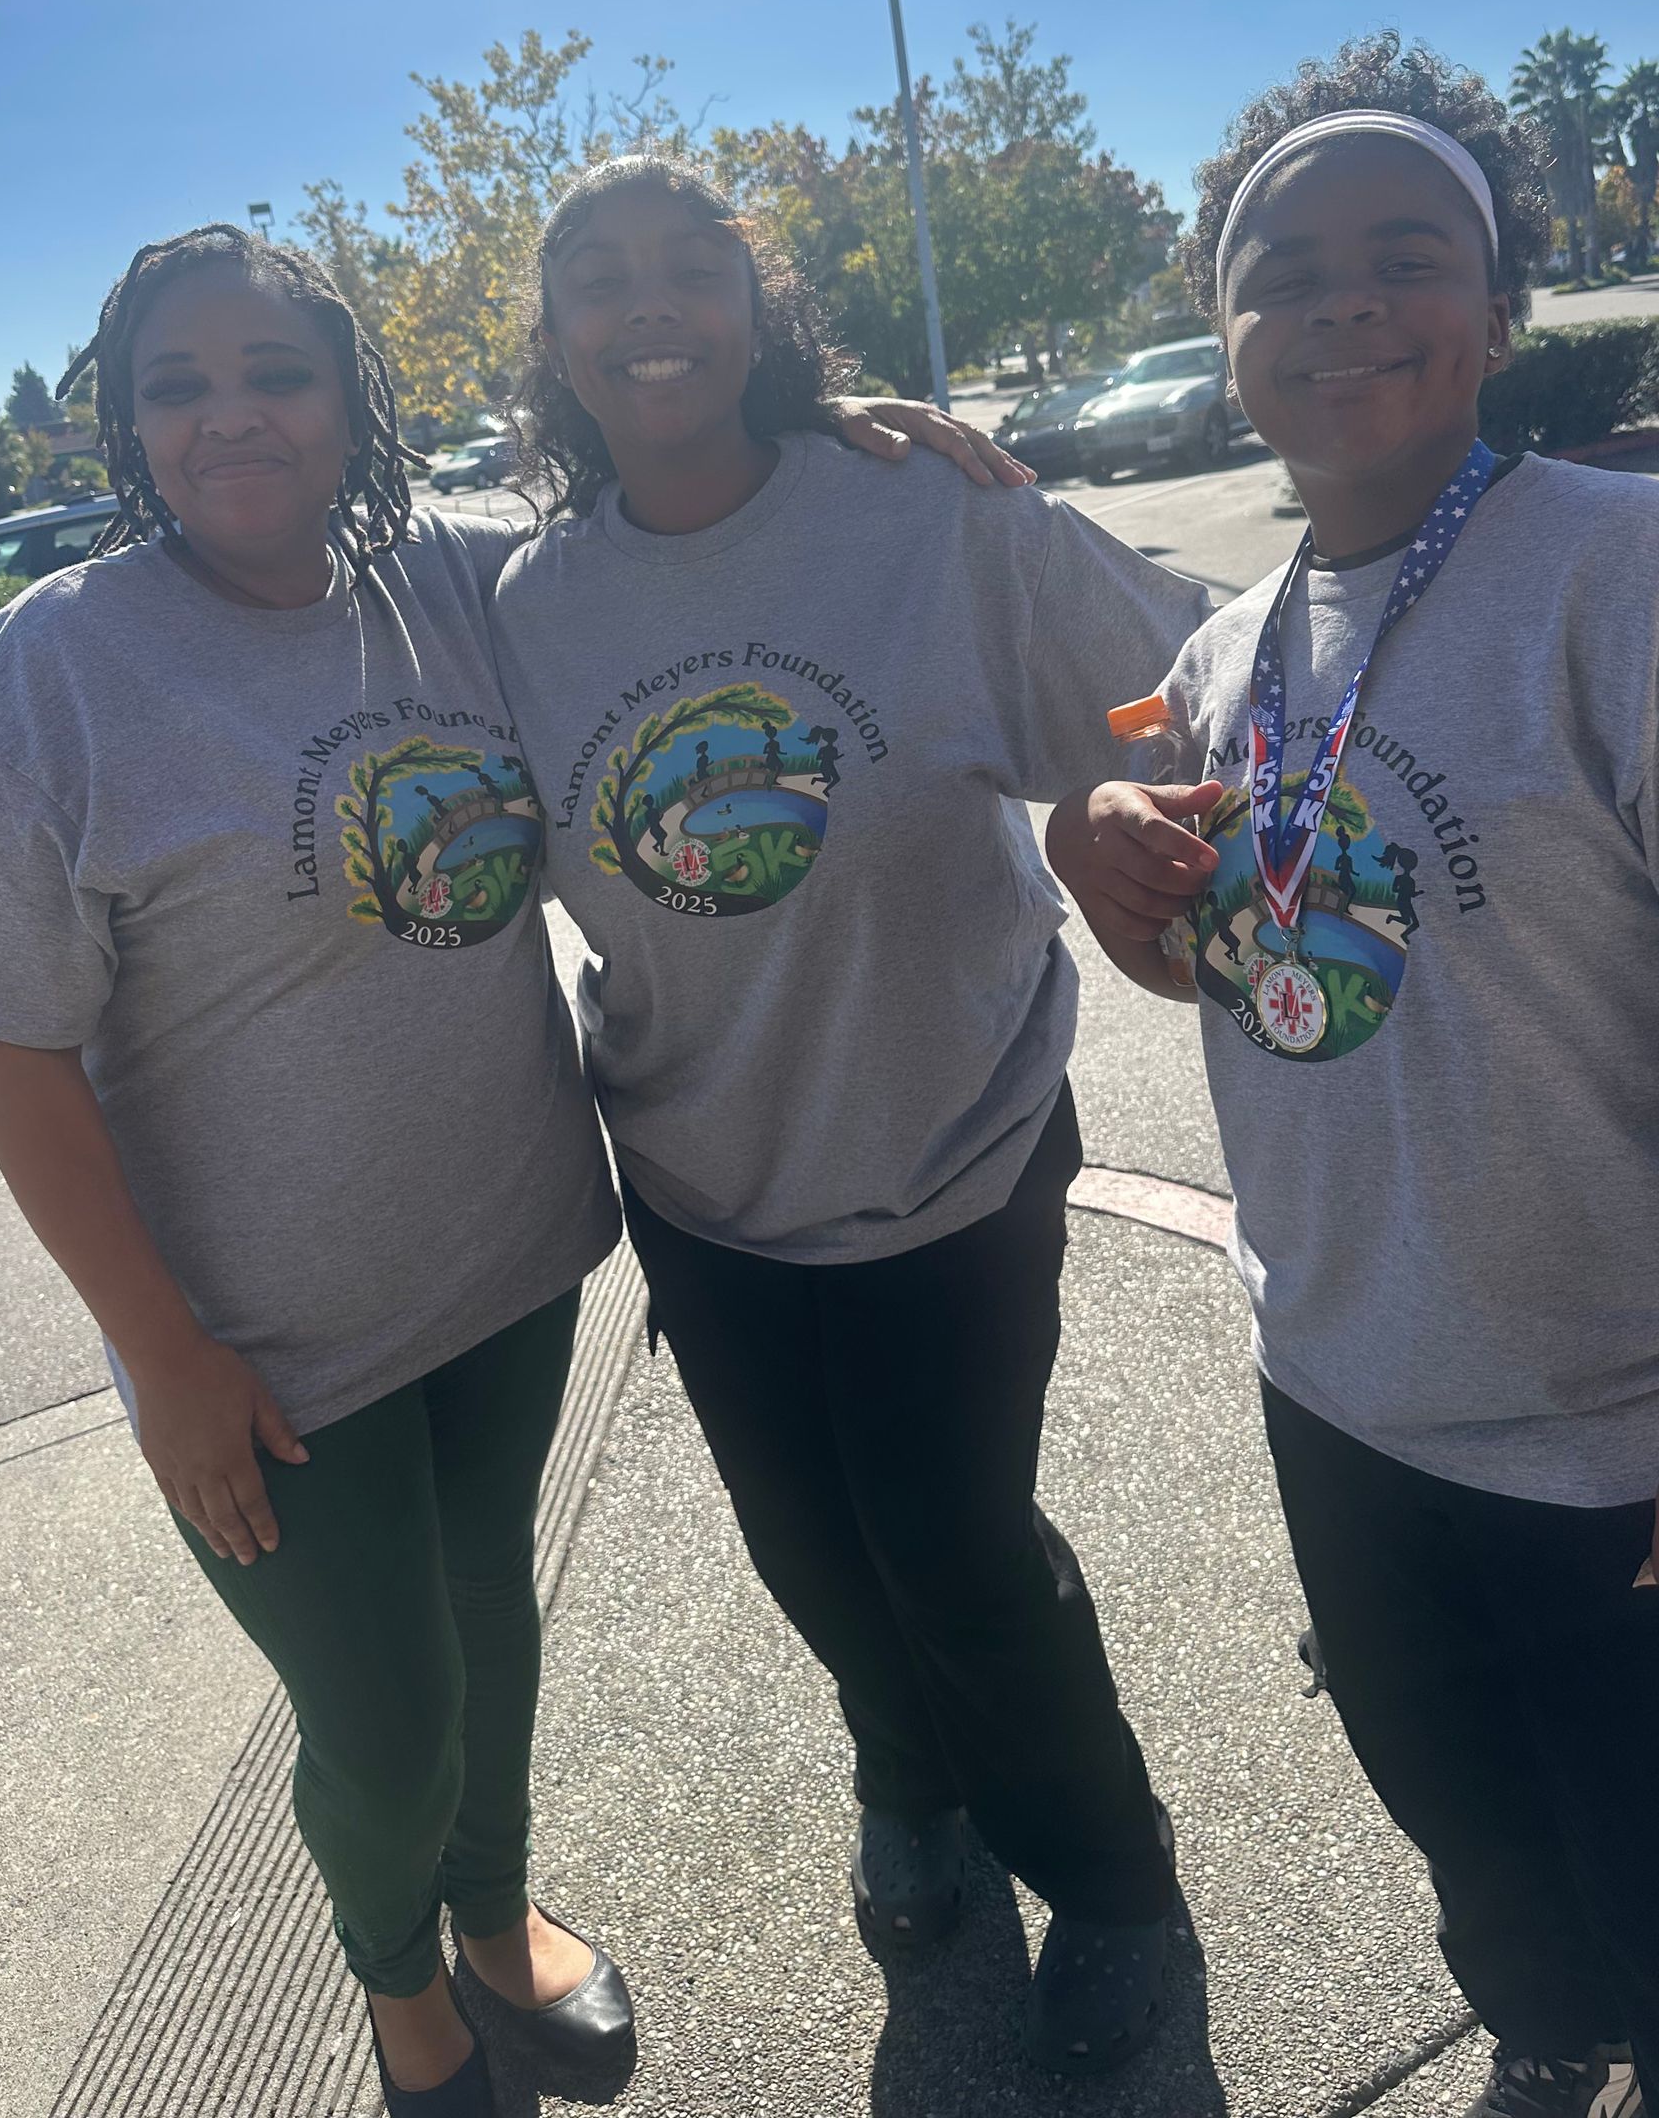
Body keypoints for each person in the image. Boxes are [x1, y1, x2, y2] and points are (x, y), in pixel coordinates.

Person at [0, 223, 1013, 2117]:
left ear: (355, 401)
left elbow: (676, 523)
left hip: (505, 1264)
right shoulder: (61, 659)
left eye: (278, 374)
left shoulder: (452, 585)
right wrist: (159, 1357)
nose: (232, 416)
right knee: (384, 1711)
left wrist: (835, 426)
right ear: (126, 427)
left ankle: (493, 1921)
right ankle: (403, 1993)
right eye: (179, 388)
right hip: (260, 1337)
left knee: (489, 1619)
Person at [1046, 36, 1659, 2118]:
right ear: (1228, 339)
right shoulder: (1230, 652)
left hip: (1631, 1425)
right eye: (1283, 266)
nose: (1344, 300)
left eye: (1408, 254)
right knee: (1478, 1841)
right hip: (1352, 1398)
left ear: (1497, 307)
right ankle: (1550, 2024)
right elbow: (1255, 916)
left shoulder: (1647, 578)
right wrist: (1087, 835)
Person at [489, 154, 1215, 2077]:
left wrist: (1106, 809)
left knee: (958, 1546)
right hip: (705, 1188)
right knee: (812, 1552)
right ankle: (914, 1789)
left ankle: (1123, 1886)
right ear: (552, 337)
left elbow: (1193, 685)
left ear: (757, 299)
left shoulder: (926, 517)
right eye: (597, 278)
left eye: (687, 266)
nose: (647, 305)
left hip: (952, 1160)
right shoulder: (524, 606)